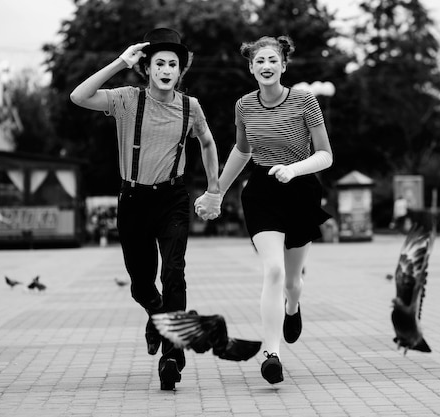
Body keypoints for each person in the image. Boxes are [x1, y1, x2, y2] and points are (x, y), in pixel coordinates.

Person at [70, 28, 221, 391]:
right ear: (148, 68)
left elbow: (208, 142)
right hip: (134, 201)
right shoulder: (126, 99)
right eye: (159, 63)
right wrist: (121, 62)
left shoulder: (190, 106)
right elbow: (78, 96)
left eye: (173, 64)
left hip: (172, 199)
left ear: (179, 71)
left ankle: (172, 352)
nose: (166, 69)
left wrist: (213, 187)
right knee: (141, 285)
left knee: (174, 273)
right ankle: (156, 317)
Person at [196, 35, 333, 384]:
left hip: (301, 188)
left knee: (292, 281)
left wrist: (294, 169)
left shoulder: (305, 100)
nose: (266, 66)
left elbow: (325, 155)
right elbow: (241, 152)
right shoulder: (244, 105)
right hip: (262, 192)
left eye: (273, 60)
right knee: (272, 270)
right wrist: (216, 191)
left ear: (283, 65)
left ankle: (293, 306)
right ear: (252, 68)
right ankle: (272, 354)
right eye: (260, 61)